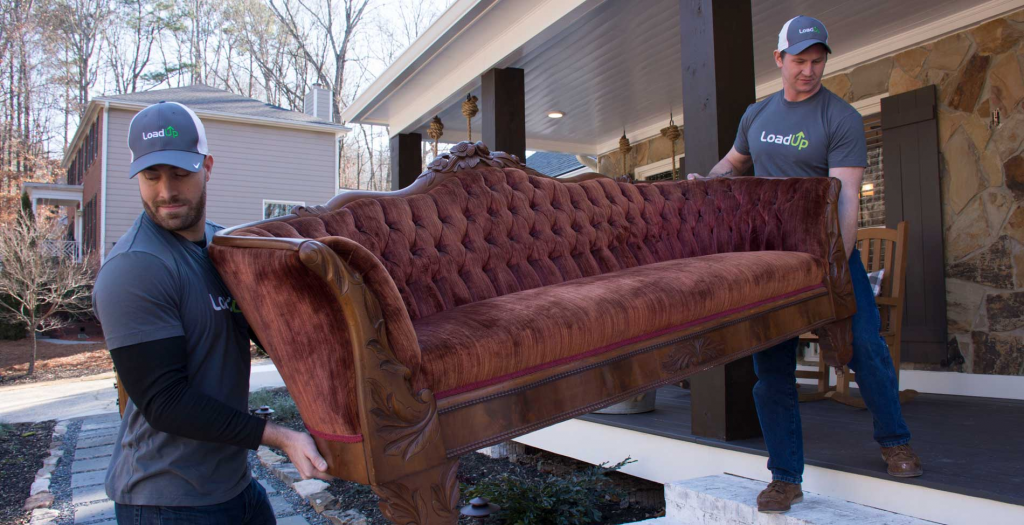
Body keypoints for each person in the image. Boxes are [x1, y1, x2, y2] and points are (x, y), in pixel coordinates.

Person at [688, 15, 923, 514]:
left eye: (817, 61)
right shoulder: (757, 115)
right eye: (799, 61)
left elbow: (846, 201)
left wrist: (833, 266)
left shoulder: (839, 118)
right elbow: (734, 162)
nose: (809, 71)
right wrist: (706, 182)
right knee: (771, 368)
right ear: (779, 59)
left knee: (865, 346)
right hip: (773, 261)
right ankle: (785, 477)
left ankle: (895, 440)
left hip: (831, 257)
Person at [93, 102, 329, 524]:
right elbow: (165, 402)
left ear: (208, 166)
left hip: (232, 484)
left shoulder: (224, 249)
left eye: (180, 173)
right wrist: (278, 436)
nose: (166, 191)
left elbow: (272, 333)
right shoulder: (134, 268)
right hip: (166, 500)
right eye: (151, 176)